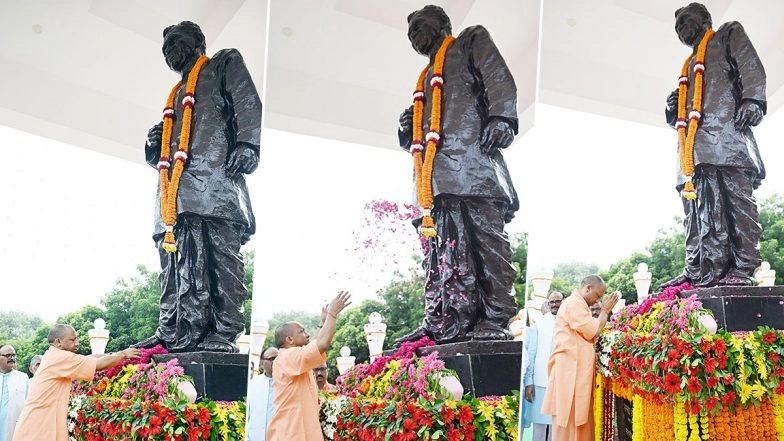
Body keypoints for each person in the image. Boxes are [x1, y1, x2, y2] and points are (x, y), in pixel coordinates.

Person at [135, 21, 262, 353]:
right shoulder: (176, 95)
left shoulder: (222, 63)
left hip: (216, 182)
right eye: (165, 47)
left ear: (197, 43)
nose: (169, 50)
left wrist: (248, 145)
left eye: (175, 41)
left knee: (222, 260)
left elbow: (248, 103)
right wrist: (155, 141)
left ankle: (224, 330)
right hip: (175, 195)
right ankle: (172, 328)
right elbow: (166, 155)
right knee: (172, 261)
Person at [396, 5, 519, 344]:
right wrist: (407, 129)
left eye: (420, 25)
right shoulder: (425, 79)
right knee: (444, 252)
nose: (415, 34)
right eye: (410, 31)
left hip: (473, 166)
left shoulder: (468, 42)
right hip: (435, 183)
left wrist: (502, 119)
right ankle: (444, 319)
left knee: (485, 245)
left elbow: (497, 77)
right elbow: (423, 137)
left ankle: (495, 317)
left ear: (442, 24)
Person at [663, 2, 766, 288]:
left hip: (726, 138)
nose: (681, 28)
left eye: (685, 20)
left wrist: (753, 100)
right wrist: (673, 109)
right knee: (695, 211)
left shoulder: (726, 35)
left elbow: (750, 65)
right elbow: (683, 119)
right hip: (692, 153)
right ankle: (699, 268)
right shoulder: (688, 68)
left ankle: (743, 267)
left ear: (705, 18)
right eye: (677, 26)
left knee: (736, 204)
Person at [13, 324, 141, 441]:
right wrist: (123, 354)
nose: (77, 343)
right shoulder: (60, 357)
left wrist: (115, 354)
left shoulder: (54, 355)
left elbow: (89, 358)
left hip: (40, 424)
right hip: (38, 429)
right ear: (58, 342)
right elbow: (98, 364)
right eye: (72, 340)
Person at [541, 276, 619, 441]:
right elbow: (594, 330)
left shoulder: (577, 303)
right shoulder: (574, 304)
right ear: (588, 288)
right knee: (570, 418)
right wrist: (605, 311)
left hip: (573, 370)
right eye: (597, 296)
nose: (597, 300)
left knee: (577, 418)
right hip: (570, 371)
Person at [266, 291, 351, 441]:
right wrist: (332, 314)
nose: (307, 334)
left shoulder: (293, 357)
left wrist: (323, 323)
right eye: (302, 331)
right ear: (290, 339)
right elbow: (321, 344)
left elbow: (314, 345)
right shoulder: (288, 356)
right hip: (291, 435)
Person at [522, 292, 563, 441]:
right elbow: (531, 353)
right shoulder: (540, 323)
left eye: (558, 301)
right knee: (539, 426)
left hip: (562, 383)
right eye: (551, 302)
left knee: (557, 426)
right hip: (540, 382)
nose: (555, 304)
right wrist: (529, 382)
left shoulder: (571, 322)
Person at [247, 347, 278, 441]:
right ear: (262, 362)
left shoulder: (288, 384)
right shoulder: (253, 384)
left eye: (278, 358)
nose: (276, 362)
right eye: (272, 359)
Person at [0, 345, 28, 441]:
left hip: (16, 428)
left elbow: (29, 404)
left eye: (13, 355)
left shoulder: (23, 378)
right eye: (8, 355)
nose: (11, 358)